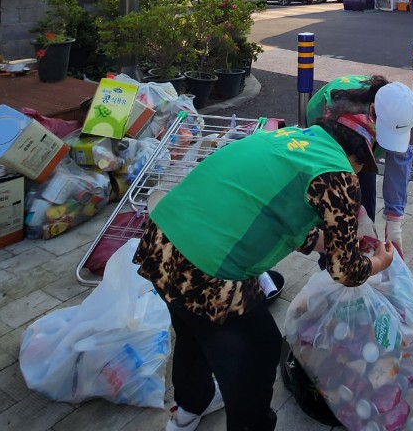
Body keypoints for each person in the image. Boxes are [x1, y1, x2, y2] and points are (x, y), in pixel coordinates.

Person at [135, 115, 395, 431]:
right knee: (259, 350)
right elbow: (346, 272)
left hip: (164, 241)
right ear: (359, 156)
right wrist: (378, 263)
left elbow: (278, 212)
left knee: (193, 328)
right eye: (361, 167)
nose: (358, 174)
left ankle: (191, 406)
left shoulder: (290, 139)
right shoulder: (339, 175)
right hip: (207, 271)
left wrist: (330, 243)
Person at [304, 75, 413, 250]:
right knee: (335, 216)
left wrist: (394, 220)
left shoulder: (399, 112)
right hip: (330, 135)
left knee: (365, 202)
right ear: (372, 111)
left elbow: (399, 162)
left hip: (359, 139)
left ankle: (362, 255)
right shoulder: (341, 116)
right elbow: (335, 178)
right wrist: (358, 212)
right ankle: (329, 266)